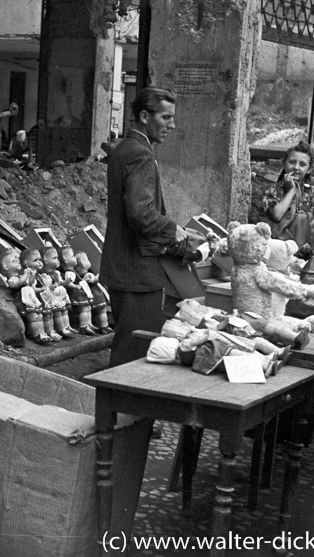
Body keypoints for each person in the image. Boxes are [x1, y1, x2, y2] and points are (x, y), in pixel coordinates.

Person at [100, 87, 200, 367]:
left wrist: (173, 230)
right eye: (166, 117)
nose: (172, 125)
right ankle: (125, 410)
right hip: (137, 272)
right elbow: (141, 214)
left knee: (127, 347)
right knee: (135, 353)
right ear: (144, 116)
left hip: (126, 268)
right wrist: (174, 231)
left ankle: (117, 409)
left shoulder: (127, 149)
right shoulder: (140, 154)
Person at [261, 142, 314, 246]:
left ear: (309, 169)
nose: (296, 167)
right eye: (292, 162)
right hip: (279, 245)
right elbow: (277, 215)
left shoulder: (312, 192)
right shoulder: (273, 190)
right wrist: (291, 190)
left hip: (307, 245)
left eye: (302, 164)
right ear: (284, 164)